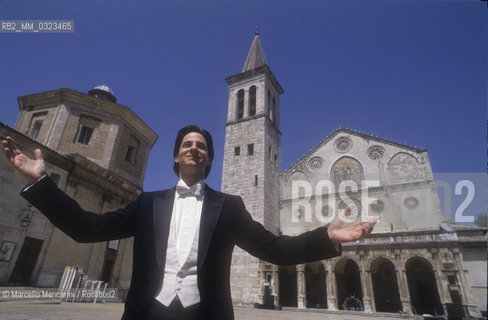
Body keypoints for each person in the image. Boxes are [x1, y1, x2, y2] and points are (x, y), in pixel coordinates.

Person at [2, 125, 376, 320]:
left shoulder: (228, 207)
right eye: (187, 144)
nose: (194, 147)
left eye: (201, 146)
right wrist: (41, 183)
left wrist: (327, 236)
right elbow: (87, 229)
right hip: (146, 315)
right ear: (177, 158)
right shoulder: (147, 204)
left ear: (209, 160)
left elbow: (273, 249)